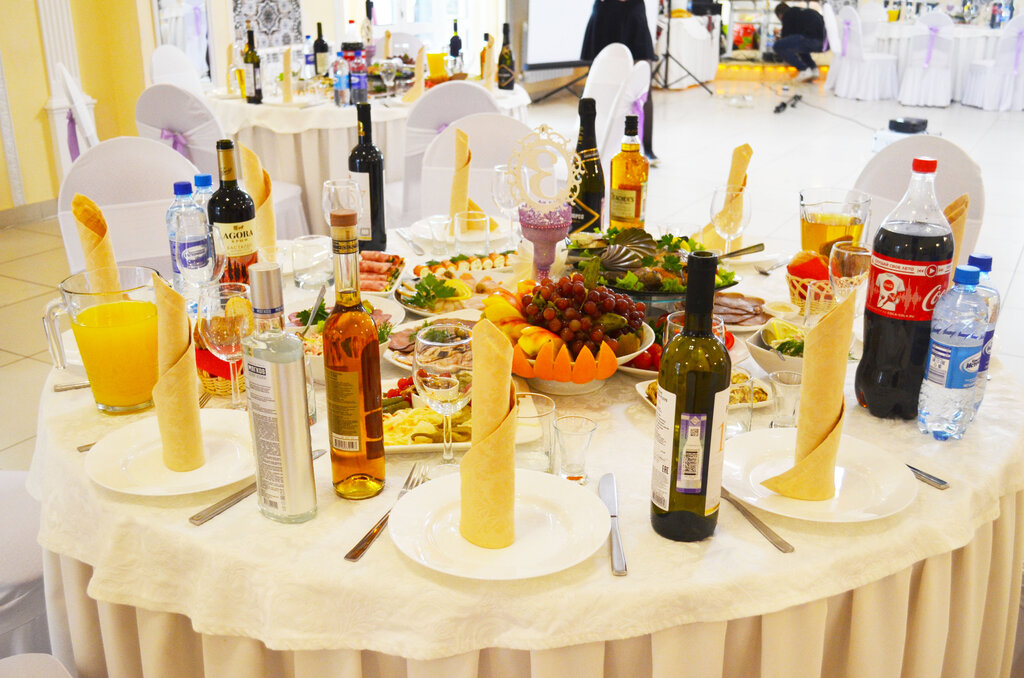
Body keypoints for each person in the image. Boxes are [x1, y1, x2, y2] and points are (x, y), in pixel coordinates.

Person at [581, 0, 659, 164]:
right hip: (605, 13)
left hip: (632, 13)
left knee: (642, 89)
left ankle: (647, 149)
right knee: (598, 87)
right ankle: (591, 144)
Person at [773, 2, 826, 82]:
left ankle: (803, 70)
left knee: (778, 46)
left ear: (780, 15)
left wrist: (779, 39)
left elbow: (785, 39)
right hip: (825, 43)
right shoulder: (801, 12)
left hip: (812, 40)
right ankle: (813, 69)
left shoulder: (787, 14)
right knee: (799, 46)